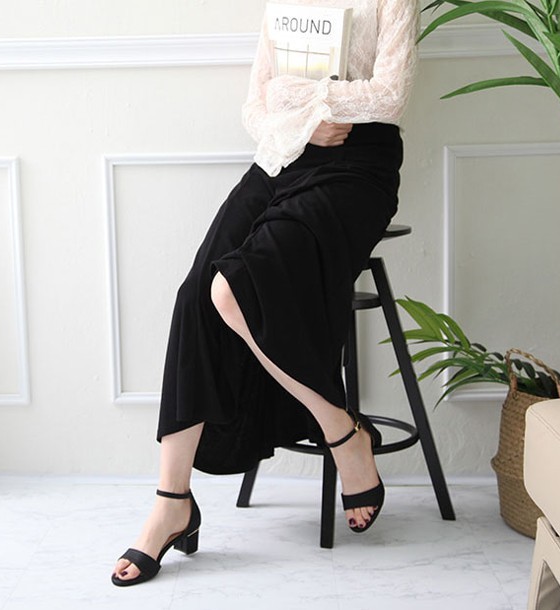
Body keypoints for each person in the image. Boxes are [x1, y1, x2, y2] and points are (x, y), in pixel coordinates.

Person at [112, 0, 419, 587]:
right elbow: (257, 107)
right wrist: (305, 118)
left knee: (233, 289)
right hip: (282, 156)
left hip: (359, 168)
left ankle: (342, 434)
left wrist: (299, 100)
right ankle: (172, 500)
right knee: (196, 295)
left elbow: (388, 97)